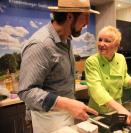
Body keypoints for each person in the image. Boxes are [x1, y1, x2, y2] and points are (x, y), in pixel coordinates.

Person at [18, 0, 99, 133]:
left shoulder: (66, 39)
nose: (87, 23)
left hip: (65, 114)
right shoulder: (40, 45)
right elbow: (26, 91)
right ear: (69, 16)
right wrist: (67, 103)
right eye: (85, 16)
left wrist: (69, 105)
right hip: (47, 119)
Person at [85, 26, 131, 125]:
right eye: (100, 40)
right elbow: (96, 89)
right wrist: (120, 108)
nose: (101, 44)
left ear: (116, 45)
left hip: (116, 110)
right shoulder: (92, 61)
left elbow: (124, 77)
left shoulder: (121, 58)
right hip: (97, 111)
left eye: (107, 41)